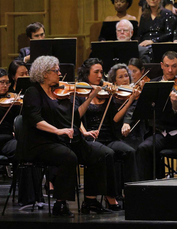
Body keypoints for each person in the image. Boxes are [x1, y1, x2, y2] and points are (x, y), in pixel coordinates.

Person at [22, 56, 118, 216]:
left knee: (102, 153)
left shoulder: (61, 92)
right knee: (69, 157)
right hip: (43, 142)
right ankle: (60, 204)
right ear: (45, 74)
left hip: (65, 139)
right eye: (56, 70)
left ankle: (90, 201)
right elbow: (35, 120)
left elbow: (76, 115)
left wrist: (91, 97)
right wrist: (57, 130)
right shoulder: (33, 92)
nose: (60, 73)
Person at [77, 58, 138, 205]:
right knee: (108, 154)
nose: (100, 76)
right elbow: (76, 117)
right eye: (96, 72)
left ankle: (132, 195)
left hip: (109, 138)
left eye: (101, 72)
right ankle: (111, 196)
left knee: (129, 152)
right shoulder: (79, 93)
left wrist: (130, 100)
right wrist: (91, 95)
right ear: (87, 74)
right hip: (90, 139)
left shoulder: (107, 91)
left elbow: (115, 119)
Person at [137, 51, 177, 180]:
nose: (170, 70)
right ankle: (147, 187)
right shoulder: (152, 85)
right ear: (161, 65)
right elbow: (145, 111)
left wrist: (175, 106)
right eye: (167, 65)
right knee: (143, 148)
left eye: (174, 66)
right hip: (160, 133)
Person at [107, 63, 146, 150]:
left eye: (126, 76)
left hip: (136, 131)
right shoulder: (112, 98)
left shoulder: (135, 92)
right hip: (119, 133)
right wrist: (131, 99)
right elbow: (116, 119)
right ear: (114, 81)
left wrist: (144, 94)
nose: (125, 79)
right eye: (120, 77)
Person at [0, 69, 19, 161]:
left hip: (7, 141)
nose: (5, 86)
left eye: (7, 83)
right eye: (2, 82)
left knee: (27, 146)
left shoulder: (11, 101)